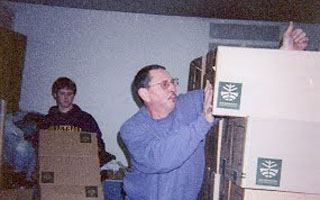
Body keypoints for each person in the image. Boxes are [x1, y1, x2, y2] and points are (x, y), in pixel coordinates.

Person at [120, 64, 218, 200]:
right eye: (164, 84)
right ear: (145, 94)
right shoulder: (131, 129)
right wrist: (204, 121)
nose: (173, 88)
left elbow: (223, 97)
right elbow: (160, 159)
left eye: (173, 82)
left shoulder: (190, 104)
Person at [40, 77, 115, 166]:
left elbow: (98, 144)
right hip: (54, 163)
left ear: (74, 95)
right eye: (62, 93)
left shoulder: (85, 119)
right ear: (55, 95)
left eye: (70, 94)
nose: (66, 97)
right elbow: (40, 145)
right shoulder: (47, 120)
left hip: (79, 164)